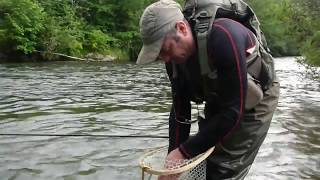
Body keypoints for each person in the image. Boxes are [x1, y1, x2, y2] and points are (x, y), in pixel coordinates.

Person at [136, 0, 280, 179]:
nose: (165, 58)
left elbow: (232, 112)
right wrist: (173, 162)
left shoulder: (224, 35)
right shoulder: (173, 59)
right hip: (221, 96)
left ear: (181, 28)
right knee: (203, 160)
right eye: (159, 54)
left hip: (256, 97)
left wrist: (183, 152)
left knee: (223, 169)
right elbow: (180, 112)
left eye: (165, 49)